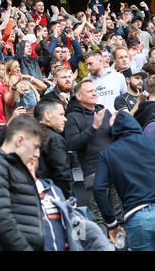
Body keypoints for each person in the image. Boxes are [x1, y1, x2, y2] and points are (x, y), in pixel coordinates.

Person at [0, 114, 47, 251]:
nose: (37, 154)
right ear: (19, 140)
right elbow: (0, 218)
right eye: (35, 146)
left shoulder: (11, 167)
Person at [64, 79, 124, 234]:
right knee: (101, 217)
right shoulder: (72, 117)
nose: (94, 93)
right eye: (90, 91)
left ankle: (121, 245)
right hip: (94, 171)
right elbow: (71, 145)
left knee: (119, 214)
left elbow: (115, 140)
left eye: (95, 90)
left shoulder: (104, 111)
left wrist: (115, 128)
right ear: (78, 95)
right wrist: (93, 127)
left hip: (114, 168)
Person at [93, 111, 155, 251]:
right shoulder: (152, 142)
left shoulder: (108, 153)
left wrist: (112, 224)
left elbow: (98, 189)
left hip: (137, 218)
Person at [34, 99, 73, 198]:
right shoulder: (54, 139)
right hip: (55, 198)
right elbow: (62, 173)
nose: (65, 119)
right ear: (47, 115)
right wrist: (69, 198)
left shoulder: (28, 135)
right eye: (61, 114)